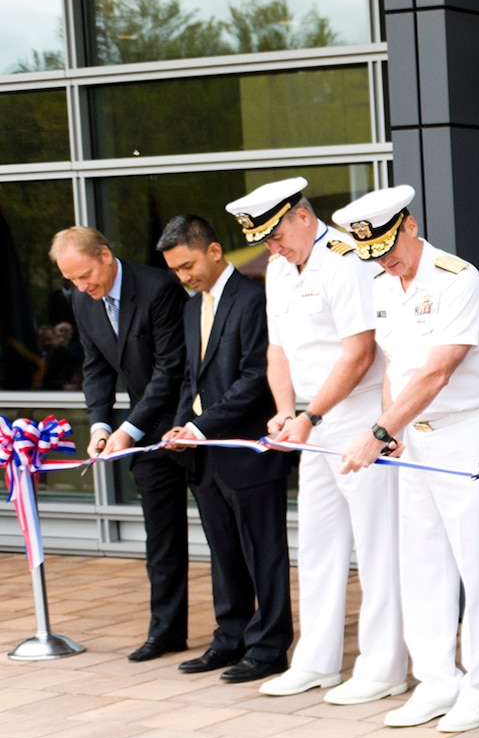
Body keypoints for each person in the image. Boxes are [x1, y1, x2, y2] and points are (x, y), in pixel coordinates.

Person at [333, 185, 479, 734]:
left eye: (387, 247)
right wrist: (391, 428)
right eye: (372, 254)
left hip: (467, 433)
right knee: (422, 563)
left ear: (408, 225)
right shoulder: (386, 284)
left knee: (478, 568)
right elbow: (394, 366)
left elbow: (437, 371)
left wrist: (378, 428)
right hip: (416, 438)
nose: (382, 261)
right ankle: (437, 680)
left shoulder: (458, 279)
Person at [226, 177, 408, 705]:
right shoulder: (279, 270)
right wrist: (286, 413)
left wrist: (310, 413)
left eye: (276, 234)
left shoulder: (345, 259)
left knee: (376, 545)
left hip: (353, 412)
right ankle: (317, 661)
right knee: (320, 544)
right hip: (309, 418)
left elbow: (360, 352)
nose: (271, 247)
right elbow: (277, 353)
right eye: (264, 240)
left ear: (302, 216)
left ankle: (383, 667)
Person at [157, 214, 295, 684]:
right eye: (175, 270)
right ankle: (229, 638)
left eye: (187, 265)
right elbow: (190, 378)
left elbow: (257, 378)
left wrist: (200, 426)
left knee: (264, 553)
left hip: (246, 450)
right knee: (224, 552)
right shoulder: (193, 305)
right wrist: (181, 427)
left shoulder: (254, 298)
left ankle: (269, 648)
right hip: (204, 452)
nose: (183, 276)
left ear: (214, 250)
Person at [56, 227, 190, 661]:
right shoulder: (82, 300)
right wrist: (98, 426)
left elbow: (170, 371)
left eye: (86, 275)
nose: (82, 287)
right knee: (161, 538)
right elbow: (95, 368)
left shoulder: (158, 289)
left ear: (106, 255)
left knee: (224, 533)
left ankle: (238, 635)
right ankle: (166, 632)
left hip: (190, 424)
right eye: (72, 280)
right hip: (142, 434)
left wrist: (126, 429)